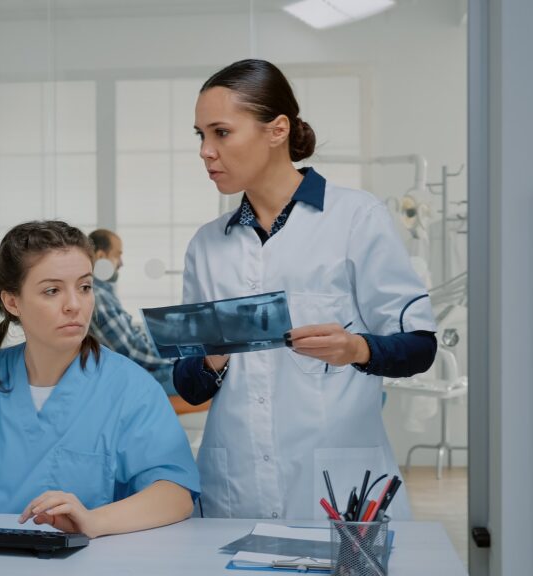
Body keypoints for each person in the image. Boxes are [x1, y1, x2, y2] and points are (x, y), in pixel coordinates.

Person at [174, 59, 437, 520]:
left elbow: (419, 347)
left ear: (276, 130)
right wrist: (215, 355)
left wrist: (356, 347)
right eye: (201, 135)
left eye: (221, 132)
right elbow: (189, 386)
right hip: (235, 484)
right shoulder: (206, 245)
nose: (205, 151)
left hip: (336, 483)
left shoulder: (357, 218)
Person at [0, 221, 199, 538]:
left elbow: (176, 494)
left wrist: (94, 521)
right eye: (52, 290)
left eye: (85, 287)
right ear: (12, 302)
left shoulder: (131, 388)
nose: (74, 305)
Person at [87, 229, 177, 396]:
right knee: (198, 374)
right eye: (117, 255)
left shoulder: (105, 292)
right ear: (100, 257)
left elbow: (133, 341)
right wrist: (174, 358)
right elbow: (131, 352)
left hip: (135, 372)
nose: (121, 263)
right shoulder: (98, 297)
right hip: (128, 381)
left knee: (199, 368)